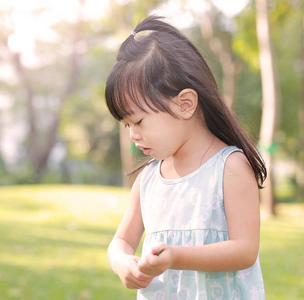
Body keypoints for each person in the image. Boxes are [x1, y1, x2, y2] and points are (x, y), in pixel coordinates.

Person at [105, 15, 267, 299]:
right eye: (126, 125)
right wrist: (122, 263)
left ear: (185, 104)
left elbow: (245, 250)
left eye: (139, 122)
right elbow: (121, 240)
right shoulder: (149, 180)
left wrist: (177, 257)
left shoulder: (229, 167)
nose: (133, 134)